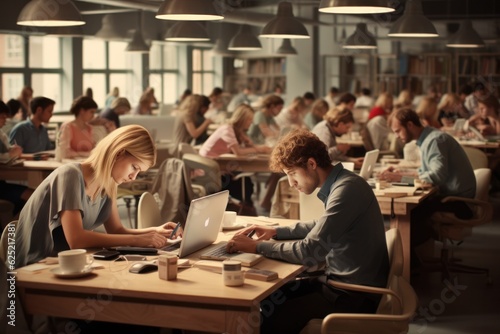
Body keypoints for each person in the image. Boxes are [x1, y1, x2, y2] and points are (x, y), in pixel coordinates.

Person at [227, 129, 389, 333]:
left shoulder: (346, 190)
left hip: (353, 296)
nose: (291, 183)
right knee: (267, 298)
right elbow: (320, 225)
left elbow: (310, 251)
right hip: (340, 284)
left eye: (292, 173)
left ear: (312, 164)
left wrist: (257, 246)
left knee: (267, 316)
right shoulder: (344, 182)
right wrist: (275, 232)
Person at [13, 124, 179, 268]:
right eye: (134, 167)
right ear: (118, 153)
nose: (133, 177)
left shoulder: (109, 183)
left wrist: (155, 231)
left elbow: (117, 230)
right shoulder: (70, 175)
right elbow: (76, 239)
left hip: (70, 263)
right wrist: (138, 240)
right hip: (36, 266)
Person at [379, 108, 476, 265]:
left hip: (459, 202)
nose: (396, 136)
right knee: (414, 211)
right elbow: (427, 172)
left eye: (398, 131)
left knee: (412, 213)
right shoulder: (428, 138)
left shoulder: (434, 141)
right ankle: (410, 263)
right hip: (453, 197)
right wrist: (402, 173)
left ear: (410, 125)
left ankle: (401, 264)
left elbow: (436, 177)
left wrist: (401, 177)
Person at [199, 104, 271, 203]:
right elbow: (239, 152)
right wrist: (258, 149)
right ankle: (245, 210)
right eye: (249, 120)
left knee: (246, 182)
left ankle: (245, 209)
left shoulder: (235, 130)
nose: (252, 122)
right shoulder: (227, 129)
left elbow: (242, 149)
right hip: (209, 169)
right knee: (245, 183)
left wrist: (249, 144)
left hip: (218, 166)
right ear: (242, 119)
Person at [0, 100, 33, 216]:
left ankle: (13, 226)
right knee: (33, 195)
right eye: (3, 117)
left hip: (2, 183)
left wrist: (13, 151)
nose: (5, 122)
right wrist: (11, 154)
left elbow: (9, 150)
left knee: (34, 195)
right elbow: (7, 155)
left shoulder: (1, 133)